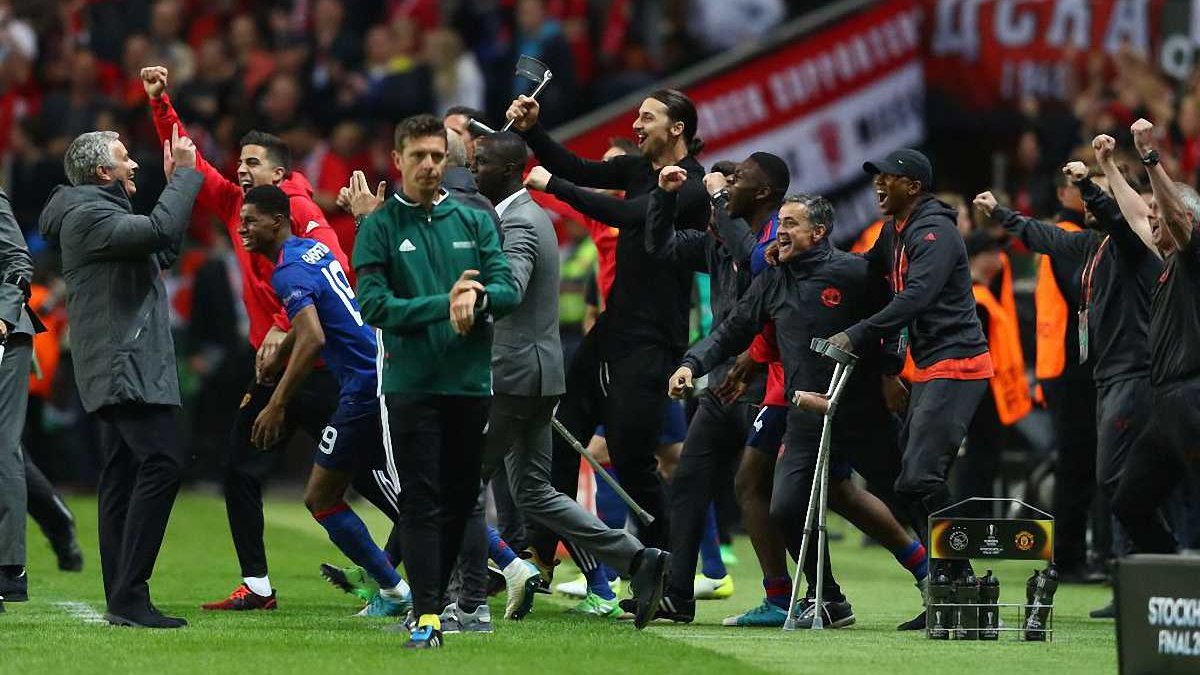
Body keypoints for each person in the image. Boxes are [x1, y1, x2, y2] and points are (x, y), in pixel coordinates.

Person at [141, 65, 350, 610]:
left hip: (322, 365)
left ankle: (451, 562)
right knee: (238, 466)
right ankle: (257, 584)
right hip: (273, 369)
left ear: (280, 174)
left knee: (371, 474)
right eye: (240, 163)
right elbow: (190, 159)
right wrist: (161, 103)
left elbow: (337, 269)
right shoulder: (240, 207)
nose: (241, 170)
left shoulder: (301, 210)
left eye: (253, 163)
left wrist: (283, 323)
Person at [668, 193, 909, 628]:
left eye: (792, 224)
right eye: (781, 222)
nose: (781, 231)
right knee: (783, 502)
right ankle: (820, 597)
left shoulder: (854, 272)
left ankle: (938, 577)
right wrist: (692, 364)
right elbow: (732, 330)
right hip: (804, 411)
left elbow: (896, 314)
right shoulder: (773, 279)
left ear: (818, 232)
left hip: (859, 408)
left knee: (901, 489)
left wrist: (891, 371)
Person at [471, 131, 669, 628]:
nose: (474, 171)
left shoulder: (518, 222)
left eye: (481, 163)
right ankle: (638, 558)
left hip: (512, 376)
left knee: (457, 483)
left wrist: (471, 298)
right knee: (536, 492)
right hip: (539, 376)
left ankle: (462, 599)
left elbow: (511, 287)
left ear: (510, 170)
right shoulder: (528, 216)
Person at [507, 88, 709, 561]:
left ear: (677, 129)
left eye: (647, 118)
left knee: (633, 461)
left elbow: (626, 214)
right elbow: (580, 168)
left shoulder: (690, 184)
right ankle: (543, 553)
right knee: (561, 435)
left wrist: (553, 186)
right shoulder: (639, 170)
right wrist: (533, 130)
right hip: (613, 328)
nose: (636, 125)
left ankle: (666, 571)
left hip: (654, 340)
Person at [974, 139, 1160, 617]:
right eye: (1087, 195)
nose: (1089, 203)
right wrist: (1002, 215)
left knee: (1117, 480)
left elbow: (1116, 217)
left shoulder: (1132, 246)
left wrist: (1090, 185)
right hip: (1110, 377)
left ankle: (1155, 563)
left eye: (1099, 196)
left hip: (1135, 375)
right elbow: (1045, 238)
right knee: (1116, 480)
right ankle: (1137, 578)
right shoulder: (1094, 246)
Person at [353, 114, 518, 649]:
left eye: (437, 156)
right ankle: (427, 614)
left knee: (461, 499)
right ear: (397, 160)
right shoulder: (378, 226)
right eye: (418, 156)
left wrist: (480, 298)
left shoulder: (473, 220)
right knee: (421, 499)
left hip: (468, 384)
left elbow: (508, 288)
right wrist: (443, 304)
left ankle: (441, 606)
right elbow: (373, 306)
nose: (428, 165)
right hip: (412, 383)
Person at [39, 127, 202, 628]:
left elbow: (161, 248)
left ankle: (123, 596)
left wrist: (174, 187)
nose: (134, 164)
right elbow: (157, 231)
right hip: (123, 364)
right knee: (164, 461)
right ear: (102, 171)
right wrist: (185, 177)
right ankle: (129, 593)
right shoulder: (89, 215)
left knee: (123, 474)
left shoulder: (101, 213)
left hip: (125, 361)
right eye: (125, 158)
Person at [237, 184, 413, 621]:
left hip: (365, 386)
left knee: (404, 497)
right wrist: (279, 353)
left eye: (250, 221)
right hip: (370, 376)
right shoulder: (309, 250)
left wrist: (277, 404)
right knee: (331, 495)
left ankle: (482, 568)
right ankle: (396, 587)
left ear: (277, 222)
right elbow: (319, 317)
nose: (242, 229)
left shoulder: (287, 272)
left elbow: (314, 337)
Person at [830, 150, 992, 586]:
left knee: (919, 478)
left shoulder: (935, 232)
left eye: (889, 177)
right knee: (910, 481)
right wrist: (814, 259)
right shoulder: (895, 230)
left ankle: (961, 579)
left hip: (959, 364)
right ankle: (951, 583)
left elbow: (916, 297)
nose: (878, 184)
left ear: (914, 186)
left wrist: (857, 334)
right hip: (932, 366)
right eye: (876, 177)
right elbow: (866, 269)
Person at [642, 154, 788, 622]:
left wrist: (719, 198)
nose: (719, 200)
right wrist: (663, 197)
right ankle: (677, 596)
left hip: (770, 385)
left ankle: (821, 593)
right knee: (689, 480)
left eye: (733, 186)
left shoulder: (778, 240)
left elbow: (752, 259)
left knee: (780, 495)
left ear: (759, 194)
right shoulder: (717, 243)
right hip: (724, 385)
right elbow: (660, 246)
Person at [1109, 120, 1200, 558]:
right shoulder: (1167, 261)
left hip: (1193, 397)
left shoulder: (1192, 256)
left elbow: (1178, 218)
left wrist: (1150, 158)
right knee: (1130, 503)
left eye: (1158, 214)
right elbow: (1135, 214)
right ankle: (1174, 575)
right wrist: (1109, 165)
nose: (1151, 220)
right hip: (1166, 404)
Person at [0, 186, 46, 605]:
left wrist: (2, 313)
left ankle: (9, 568)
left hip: (4, 335)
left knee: (2, 447)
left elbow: (17, 260)